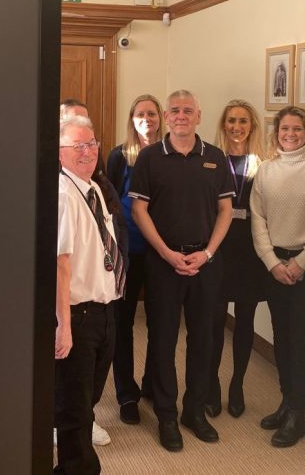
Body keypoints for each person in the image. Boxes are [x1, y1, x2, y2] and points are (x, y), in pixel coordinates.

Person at [129, 89, 234, 452]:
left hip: (205, 264)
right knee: (162, 340)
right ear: (167, 116)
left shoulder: (216, 158)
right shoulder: (149, 158)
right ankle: (166, 415)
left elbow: (225, 212)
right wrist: (167, 253)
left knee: (204, 340)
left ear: (199, 116)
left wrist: (206, 253)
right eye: (175, 110)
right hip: (163, 264)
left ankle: (194, 411)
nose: (181, 115)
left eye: (188, 110)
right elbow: (139, 211)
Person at [250, 106, 305, 448]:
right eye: (285, 129)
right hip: (274, 266)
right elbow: (258, 219)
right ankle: (286, 401)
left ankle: (298, 413)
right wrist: (272, 261)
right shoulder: (267, 170)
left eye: (297, 129)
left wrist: (302, 261)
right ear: (277, 134)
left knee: (300, 340)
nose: (290, 134)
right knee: (280, 336)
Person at [55, 115, 125, 474]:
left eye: (92, 144)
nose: (87, 152)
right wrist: (63, 326)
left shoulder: (93, 188)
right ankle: (77, 468)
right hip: (79, 315)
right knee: (74, 407)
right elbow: (60, 264)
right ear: (60, 152)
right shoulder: (64, 195)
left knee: (88, 400)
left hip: (103, 310)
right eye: (77, 146)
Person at [206, 99, 268, 420]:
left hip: (250, 251)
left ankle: (237, 385)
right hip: (220, 248)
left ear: (252, 127)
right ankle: (213, 384)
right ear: (223, 124)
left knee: (245, 321)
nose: (236, 127)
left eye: (243, 121)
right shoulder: (213, 161)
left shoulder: (263, 165)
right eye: (231, 120)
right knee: (216, 322)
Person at [106, 94, 164, 425]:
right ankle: (126, 394)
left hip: (160, 252)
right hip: (127, 253)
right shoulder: (119, 156)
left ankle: (152, 386)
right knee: (123, 323)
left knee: (160, 321)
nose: (146, 118)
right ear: (132, 118)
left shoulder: (167, 154)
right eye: (140, 113)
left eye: (152, 113)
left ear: (161, 118)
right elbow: (110, 203)